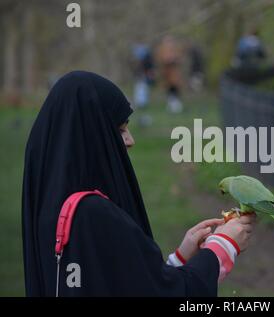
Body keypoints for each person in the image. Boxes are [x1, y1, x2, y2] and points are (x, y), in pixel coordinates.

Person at [22, 71, 256, 296]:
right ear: (94, 135)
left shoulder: (50, 207)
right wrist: (223, 246)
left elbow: (123, 285)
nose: (130, 140)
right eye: (120, 129)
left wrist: (179, 260)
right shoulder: (92, 213)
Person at [155, 36, 184, 113]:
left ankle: (176, 105)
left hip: (174, 74)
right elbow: (160, 60)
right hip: (166, 74)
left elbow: (180, 59)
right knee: (169, 90)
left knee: (175, 89)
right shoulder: (161, 50)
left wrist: (174, 60)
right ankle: (171, 105)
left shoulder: (176, 50)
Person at [131, 44, 155, 127]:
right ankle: (141, 118)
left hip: (143, 82)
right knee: (140, 101)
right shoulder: (139, 63)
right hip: (141, 82)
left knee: (143, 101)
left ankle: (143, 118)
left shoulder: (146, 61)